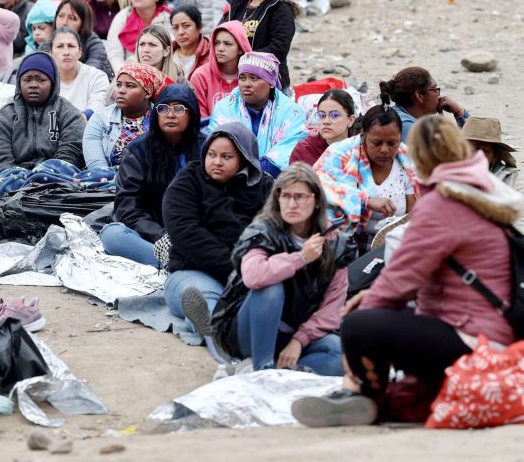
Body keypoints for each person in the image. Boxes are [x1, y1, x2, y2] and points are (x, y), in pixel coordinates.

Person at [292, 116, 519, 427]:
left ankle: (361, 394)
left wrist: (363, 315)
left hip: (472, 337)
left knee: (361, 322)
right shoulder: (484, 192)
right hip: (496, 331)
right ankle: (365, 395)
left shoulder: (441, 202)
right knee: (379, 315)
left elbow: (401, 278)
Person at [208, 163, 352, 375]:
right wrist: (301, 257)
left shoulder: (335, 244)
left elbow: (333, 309)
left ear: (317, 201)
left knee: (340, 355)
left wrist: (299, 340)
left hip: (296, 335)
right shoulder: (263, 229)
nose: (292, 204)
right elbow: (253, 276)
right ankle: (262, 366)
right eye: (285, 196)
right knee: (269, 287)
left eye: (300, 197)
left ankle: (264, 372)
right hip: (250, 331)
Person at [162, 123, 273, 340]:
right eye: (211, 154)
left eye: (226, 156)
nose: (216, 162)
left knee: (273, 299)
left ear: (244, 158)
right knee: (203, 300)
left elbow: (274, 230)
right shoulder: (189, 179)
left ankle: (251, 335)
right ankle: (218, 336)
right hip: (193, 271)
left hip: (249, 273)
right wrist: (235, 267)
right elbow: (185, 232)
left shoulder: (264, 186)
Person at [101, 84, 204, 267]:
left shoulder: (207, 149)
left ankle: (181, 261)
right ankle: (173, 263)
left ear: (192, 114)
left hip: (198, 234)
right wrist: (162, 236)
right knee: (112, 235)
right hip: (152, 235)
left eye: (179, 109)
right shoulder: (138, 150)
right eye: (163, 108)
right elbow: (128, 208)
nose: (170, 115)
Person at [314, 104, 418, 252]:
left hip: (394, 246)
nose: (384, 150)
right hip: (342, 246)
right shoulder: (340, 154)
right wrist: (364, 200)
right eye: (377, 143)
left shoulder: (407, 162)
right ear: (363, 136)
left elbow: (413, 217)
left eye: (392, 143)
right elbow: (314, 186)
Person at [0, 51, 86, 179]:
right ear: (19, 82)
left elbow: (71, 153)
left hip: (57, 178)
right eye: (27, 80)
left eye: (41, 80)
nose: (33, 85)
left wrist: (45, 176)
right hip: (13, 179)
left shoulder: (69, 114)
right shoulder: (4, 116)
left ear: (53, 83)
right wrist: (16, 179)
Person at [208, 51, 307, 177]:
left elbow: (287, 152)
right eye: (242, 77)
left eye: (254, 78)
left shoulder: (292, 112)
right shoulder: (225, 108)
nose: (246, 84)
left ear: (271, 82)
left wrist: (252, 174)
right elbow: (216, 149)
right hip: (228, 178)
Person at [221, 0, 297, 88]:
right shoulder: (236, 4)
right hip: (235, 77)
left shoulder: (280, 9)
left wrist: (243, 58)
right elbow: (220, 34)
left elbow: (278, 49)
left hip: (268, 79)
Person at [83, 62, 168, 171]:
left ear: (148, 92)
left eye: (130, 86)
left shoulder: (162, 119)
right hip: (106, 182)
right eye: (118, 85)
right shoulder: (100, 118)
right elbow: (96, 166)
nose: (121, 91)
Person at [460, 117, 524, 237]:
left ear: (495, 156)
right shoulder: (445, 177)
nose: (475, 155)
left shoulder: (510, 179)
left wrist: (521, 246)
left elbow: (522, 217)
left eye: (483, 150)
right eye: (470, 147)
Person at [106, 0, 171, 74]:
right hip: (128, 75)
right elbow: (114, 55)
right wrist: (127, 76)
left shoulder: (169, 18)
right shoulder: (122, 17)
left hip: (162, 75)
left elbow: (172, 55)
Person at [379, 67, 469, 142]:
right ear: (419, 96)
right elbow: (458, 152)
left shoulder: (397, 115)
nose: (439, 94)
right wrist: (459, 112)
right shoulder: (409, 128)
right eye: (434, 89)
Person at [189, 21, 253, 119]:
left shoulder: (253, 77)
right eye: (216, 43)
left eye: (227, 44)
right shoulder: (200, 76)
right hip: (210, 133)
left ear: (240, 48)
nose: (220, 48)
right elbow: (200, 119)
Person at [50, 27, 110, 115]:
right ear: (51, 52)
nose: (66, 52)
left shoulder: (97, 77)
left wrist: (79, 119)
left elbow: (98, 107)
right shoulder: (44, 79)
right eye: (60, 46)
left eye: (71, 46)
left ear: (80, 52)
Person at [290, 88, 357, 166]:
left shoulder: (358, 152)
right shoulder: (304, 150)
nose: (326, 121)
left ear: (350, 120)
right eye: (322, 115)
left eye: (334, 115)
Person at [53, 0, 112, 79]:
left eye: (72, 18)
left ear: (83, 23)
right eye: (61, 16)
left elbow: (91, 73)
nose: (64, 22)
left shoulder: (94, 44)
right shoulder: (49, 42)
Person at [170, 5, 211, 80]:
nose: (180, 32)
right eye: (175, 27)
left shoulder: (212, 53)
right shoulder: (166, 53)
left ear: (199, 27)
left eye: (186, 26)